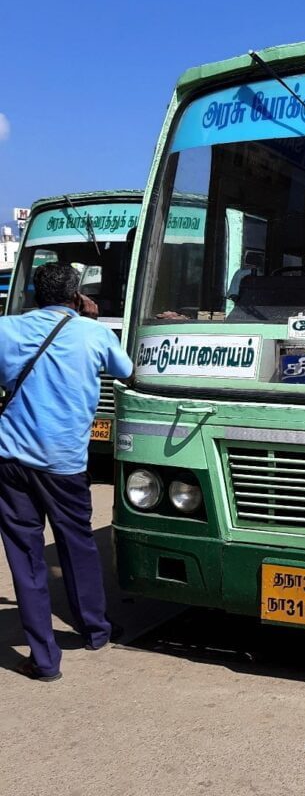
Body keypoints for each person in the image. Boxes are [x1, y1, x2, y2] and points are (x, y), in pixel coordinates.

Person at [0, 262, 133, 681]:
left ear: (33, 295)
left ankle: (44, 659)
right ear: (77, 296)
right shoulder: (93, 333)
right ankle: (95, 630)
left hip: (12, 459)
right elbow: (126, 370)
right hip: (65, 464)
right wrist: (92, 319)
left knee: (25, 555)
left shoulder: (6, 330)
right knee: (78, 545)